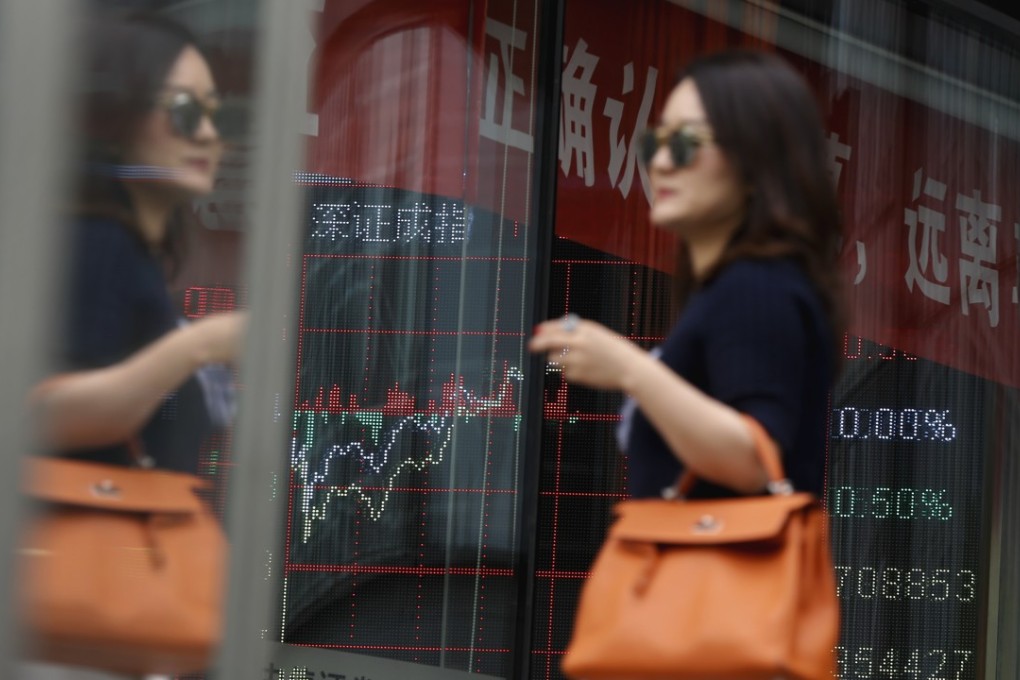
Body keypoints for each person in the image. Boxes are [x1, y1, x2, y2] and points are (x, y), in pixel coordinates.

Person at [21, 10, 245, 680]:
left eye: (216, 115)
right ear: (116, 116)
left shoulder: (132, 255)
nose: (208, 134)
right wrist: (199, 345)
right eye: (183, 112)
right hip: (70, 612)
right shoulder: (98, 246)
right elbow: (44, 411)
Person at [530, 50, 843, 500]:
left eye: (687, 143)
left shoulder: (755, 286)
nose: (660, 163)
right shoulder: (738, 285)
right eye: (655, 143)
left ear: (757, 162)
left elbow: (756, 458)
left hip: (735, 568)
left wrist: (629, 369)